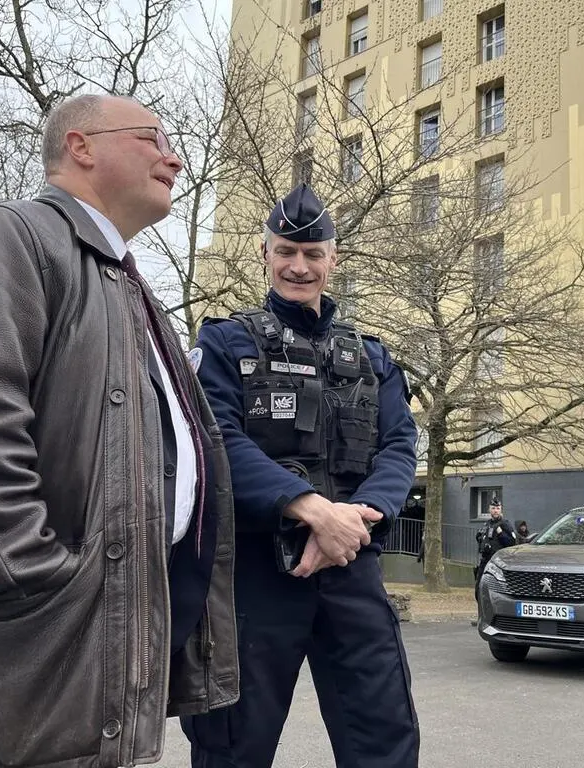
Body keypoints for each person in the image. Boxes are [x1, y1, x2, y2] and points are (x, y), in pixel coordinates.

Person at [0, 94, 238, 767]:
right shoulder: (8, 234)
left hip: (99, 645)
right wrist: (41, 582)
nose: (174, 159)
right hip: (35, 646)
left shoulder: (128, 286)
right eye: (153, 138)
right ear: (81, 146)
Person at [181, 183, 420, 768]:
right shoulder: (224, 343)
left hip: (350, 564)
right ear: (265, 253)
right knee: (233, 745)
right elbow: (216, 440)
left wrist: (354, 520)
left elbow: (398, 445)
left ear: (333, 259)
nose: (299, 266)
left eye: (313, 254)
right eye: (286, 251)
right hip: (257, 576)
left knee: (384, 738)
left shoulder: (373, 358)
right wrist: (310, 509)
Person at [474, 497, 517, 601]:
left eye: (498, 508)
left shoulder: (505, 524)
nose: (495, 511)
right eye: (493, 508)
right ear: (489, 510)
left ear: (501, 509)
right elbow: (481, 539)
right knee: (479, 588)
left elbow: (512, 542)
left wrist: (501, 533)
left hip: (497, 562)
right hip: (485, 561)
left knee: (494, 590)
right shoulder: (487, 524)